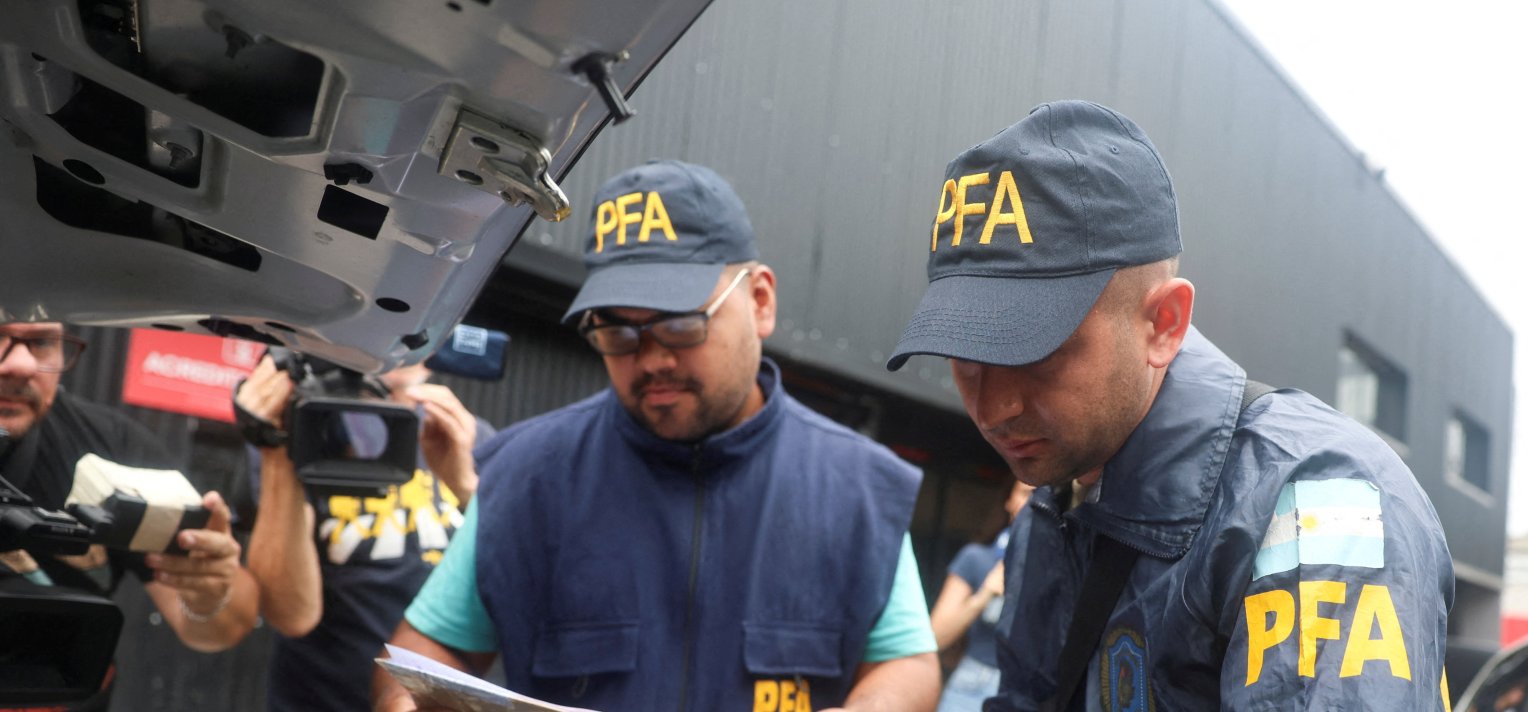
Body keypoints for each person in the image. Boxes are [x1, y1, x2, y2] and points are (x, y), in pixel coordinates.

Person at [887, 101, 1454, 710]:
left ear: (1163, 323)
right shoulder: (1052, 511)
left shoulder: (1321, 500)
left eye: (1034, 352)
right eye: (964, 355)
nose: (994, 407)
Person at [373, 159, 941, 712]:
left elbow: (907, 663)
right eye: (618, 332)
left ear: (760, 301)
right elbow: (425, 652)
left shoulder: (857, 487)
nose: (651, 359)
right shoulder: (528, 476)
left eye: (679, 324)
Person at [0, 321, 258, 707]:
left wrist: (209, 591)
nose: (20, 363)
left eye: (41, 342)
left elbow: (216, 627)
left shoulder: (111, 452)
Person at [237, 358, 490, 712]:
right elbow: (291, 614)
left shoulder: (466, 436)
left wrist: (468, 489)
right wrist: (278, 448)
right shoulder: (311, 428)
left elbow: (503, 591)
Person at [929, 481, 1033, 711]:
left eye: (1039, 495)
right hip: (972, 684)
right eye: (1026, 494)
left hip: (1029, 692)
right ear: (1009, 501)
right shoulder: (976, 558)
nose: (1032, 504)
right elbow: (935, 638)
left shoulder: (1056, 566)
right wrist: (985, 594)